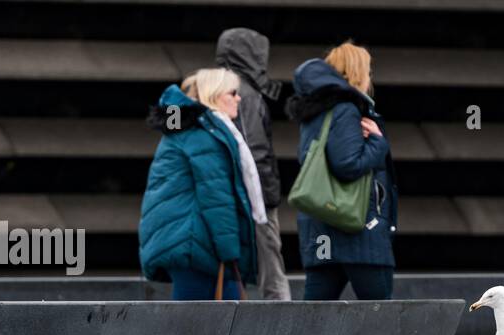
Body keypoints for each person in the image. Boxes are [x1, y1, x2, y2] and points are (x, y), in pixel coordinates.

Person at [139, 69, 265, 300]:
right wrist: (230, 253)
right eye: (232, 92)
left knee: (200, 324)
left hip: (188, 241)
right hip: (193, 244)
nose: (238, 98)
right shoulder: (203, 135)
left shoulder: (195, 130)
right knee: (198, 325)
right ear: (214, 94)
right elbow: (217, 197)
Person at [286, 41, 398, 300]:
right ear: (357, 72)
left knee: (313, 321)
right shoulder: (345, 110)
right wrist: (378, 143)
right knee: (382, 320)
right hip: (358, 230)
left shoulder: (317, 112)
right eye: (368, 71)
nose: (369, 78)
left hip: (323, 227)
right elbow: (348, 165)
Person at [216, 28, 291, 301]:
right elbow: (254, 149)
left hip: (233, 197)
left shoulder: (222, 86)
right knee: (271, 269)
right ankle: (285, 328)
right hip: (255, 199)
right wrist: (267, 198)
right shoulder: (245, 93)